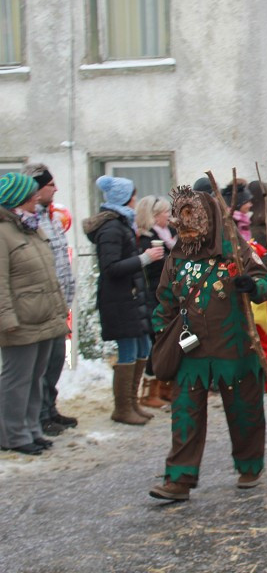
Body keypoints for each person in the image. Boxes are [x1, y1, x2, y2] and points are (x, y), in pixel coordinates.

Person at [148, 186, 267, 501]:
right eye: (181, 218)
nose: (186, 225)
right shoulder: (176, 256)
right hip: (192, 351)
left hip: (233, 346)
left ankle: (249, 465)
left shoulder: (235, 248)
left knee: (244, 410)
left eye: (193, 218)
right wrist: (163, 331)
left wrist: (252, 285)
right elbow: (164, 300)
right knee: (185, 413)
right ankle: (179, 478)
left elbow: (265, 282)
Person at [84, 176, 165, 426]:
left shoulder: (122, 224)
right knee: (129, 350)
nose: (136, 200)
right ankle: (123, 408)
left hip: (131, 298)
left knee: (142, 348)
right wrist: (145, 258)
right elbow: (110, 268)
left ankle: (132, 403)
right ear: (124, 198)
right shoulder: (111, 228)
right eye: (133, 195)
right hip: (119, 299)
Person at [0, 173, 69, 455]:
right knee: (17, 380)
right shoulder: (4, 232)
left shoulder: (31, 226)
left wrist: (59, 309)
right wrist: (6, 319)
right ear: (18, 199)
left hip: (44, 316)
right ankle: (13, 435)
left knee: (36, 377)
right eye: (31, 195)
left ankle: (31, 429)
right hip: (20, 321)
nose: (36, 198)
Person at [22, 164, 78, 436]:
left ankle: (49, 409)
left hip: (59, 302)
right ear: (36, 189)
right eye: (49, 185)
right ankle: (39, 416)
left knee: (56, 360)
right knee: (42, 365)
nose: (55, 188)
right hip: (42, 305)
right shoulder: (31, 222)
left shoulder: (52, 218)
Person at [135, 195, 175, 409]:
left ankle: (165, 388)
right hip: (154, 296)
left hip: (168, 296)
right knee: (157, 343)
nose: (169, 216)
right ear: (153, 216)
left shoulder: (168, 235)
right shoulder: (146, 240)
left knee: (168, 343)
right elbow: (151, 271)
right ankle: (149, 391)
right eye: (164, 212)